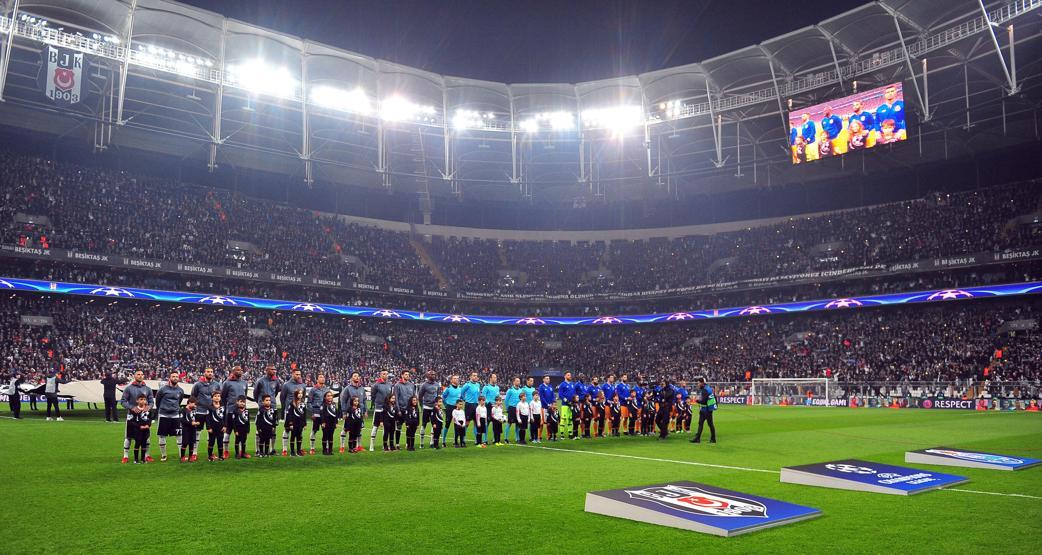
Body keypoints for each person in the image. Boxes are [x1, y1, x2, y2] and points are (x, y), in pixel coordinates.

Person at [120, 370, 154, 464]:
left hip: (144, 417)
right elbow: (123, 401)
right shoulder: (128, 388)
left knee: (146, 437)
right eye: (138, 374)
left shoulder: (148, 389)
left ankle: (147, 455)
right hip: (132, 417)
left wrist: (149, 407)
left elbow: (151, 401)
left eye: (142, 374)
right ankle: (125, 456)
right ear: (134, 376)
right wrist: (132, 407)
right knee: (129, 437)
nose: (140, 376)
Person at [155, 371, 185, 462]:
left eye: (176, 376)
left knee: (179, 435)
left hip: (175, 415)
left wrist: (174, 409)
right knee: (162, 435)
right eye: (173, 376)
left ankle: (181, 455)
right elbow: (158, 401)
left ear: (178, 378)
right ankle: (164, 455)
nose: (175, 378)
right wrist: (163, 409)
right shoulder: (163, 389)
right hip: (164, 415)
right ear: (170, 377)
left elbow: (179, 401)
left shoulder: (180, 390)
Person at [190, 367, 220, 456]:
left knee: (211, 433)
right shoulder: (197, 385)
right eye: (208, 372)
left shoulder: (216, 385)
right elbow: (193, 397)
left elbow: (218, 397)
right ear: (204, 373)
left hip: (211, 413)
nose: (210, 373)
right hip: (200, 411)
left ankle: (210, 453)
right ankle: (194, 453)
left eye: (211, 371)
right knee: (197, 432)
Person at [220, 366, 248, 458]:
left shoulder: (244, 383)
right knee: (228, 432)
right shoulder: (227, 383)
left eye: (241, 370)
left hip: (241, 412)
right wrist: (228, 407)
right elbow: (223, 397)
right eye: (238, 370)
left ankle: (241, 452)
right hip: (231, 411)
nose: (240, 371)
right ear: (233, 371)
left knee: (241, 433)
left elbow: (244, 396)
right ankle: (226, 451)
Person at [279, 369, 306, 455]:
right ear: (292, 374)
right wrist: (285, 408)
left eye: (300, 374)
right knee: (287, 429)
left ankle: (299, 449)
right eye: (297, 374)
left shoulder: (303, 385)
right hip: (289, 411)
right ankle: (284, 449)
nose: (299, 376)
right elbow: (282, 398)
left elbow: (303, 398)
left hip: (299, 413)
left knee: (299, 431)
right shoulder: (286, 385)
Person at [340, 372, 367, 453]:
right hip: (350, 413)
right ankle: (342, 446)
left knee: (359, 430)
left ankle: (358, 446)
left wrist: (365, 411)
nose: (357, 377)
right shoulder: (347, 388)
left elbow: (364, 400)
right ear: (351, 378)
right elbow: (343, 400)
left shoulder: (362, 388)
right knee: (345, 429)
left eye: (358, 376)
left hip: (359, 413)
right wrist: (344, 412)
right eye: (355, 376)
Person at [306, 373, 330, 455]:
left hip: (325, 413)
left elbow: (329, 401)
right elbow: (308, 402)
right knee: (314, 430)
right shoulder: (313, 389)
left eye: (323, 377)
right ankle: (312, 448)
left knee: (326, 431)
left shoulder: (327, 389)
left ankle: (326, 448)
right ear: (317, 380)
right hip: (316, 413)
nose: (323, 378)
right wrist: (312, 412)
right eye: (320, 377)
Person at [392, 370, 416, 450]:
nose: (407, 376)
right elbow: (396, 399)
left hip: (409, 410)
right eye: (405, 374)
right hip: (401, 409)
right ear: (402, 375)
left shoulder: (411, 385)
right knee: (398, 427)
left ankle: (407, 443)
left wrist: (414, 408)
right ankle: (397, 444)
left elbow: (413, 398)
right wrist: (398, 409)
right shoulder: (397, 385)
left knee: (409, 427)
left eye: (408, 374)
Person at [690, 378, 718, 444]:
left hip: (706, 410)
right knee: (701, 424)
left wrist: (696, 400)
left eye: (698, 383)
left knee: (709, 424)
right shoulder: (708, 388)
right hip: (706, 409)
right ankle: (698, 438)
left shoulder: (705, 390)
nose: (698, 384)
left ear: (702, 383)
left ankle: (713, 439)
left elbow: (704, 401)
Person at [369, 370, 392, 452]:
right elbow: (373, 396)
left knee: (386, 428)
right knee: (375, 426)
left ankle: (384, 445)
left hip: (386, 410)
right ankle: (371, 446)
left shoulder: (389, 384)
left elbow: (390, 396)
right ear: (380, 375)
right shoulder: (376, 385)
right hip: (378, 409)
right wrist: (378, 403)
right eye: (383, 374)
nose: (385, 375)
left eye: (386, 374)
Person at [417, 371, 440, 449]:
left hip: (434, 408)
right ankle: (421, 443)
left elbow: (438, 396)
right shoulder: (424, 385)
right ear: (427, 375)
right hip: (426, 407)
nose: (433, 375)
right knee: (424, 424)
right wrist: (421, 406)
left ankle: (431, 442)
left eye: (434, 374)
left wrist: (438, 405)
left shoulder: (437, 385)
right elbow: (420, 396)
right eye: (431, 374)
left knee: (434, 425)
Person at [440, 374, 462, 448]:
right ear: (452, 380)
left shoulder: (460, 389)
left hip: (457, 408)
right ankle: (443, 441)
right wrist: (446, 405)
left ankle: (455, 441)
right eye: (455, 378)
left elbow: (461, 398)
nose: (456, 380)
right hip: (449, 407)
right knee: (447, 424)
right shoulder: (448, 388)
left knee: (457, 424)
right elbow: (443, 397)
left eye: (457, 378)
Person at [460, 372, 481, 445]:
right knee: (467, 423)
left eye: (476, 376)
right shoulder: (467, 385)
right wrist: (465, 399)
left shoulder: (478, 385)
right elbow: (461, 393)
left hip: (476, 405)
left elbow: (478, 395)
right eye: (474, 376)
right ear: (471, 377)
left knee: (476, 422)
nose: (475, 377)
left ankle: (476, 440)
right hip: (469, 405)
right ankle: (463, 438)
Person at [205, 391, 226, 461]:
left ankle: (220, 456)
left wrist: (225, 426)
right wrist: (208, 427)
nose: (217, 397)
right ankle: (210, 456)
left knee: (220, 442)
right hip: (212, 428)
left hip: (221, 428)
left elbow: (225, 417)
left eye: (218, 396)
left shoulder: (223, 406)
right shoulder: (209, 407)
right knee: (211, 442)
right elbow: (207, 418)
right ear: (212, 398)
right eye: (215, 396)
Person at [132, 395, 152, 464]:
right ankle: (136, 459)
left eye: (144, 399)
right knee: (137, 444)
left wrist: (148, 425)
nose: (143, 401)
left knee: (144, 444)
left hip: (145, 431)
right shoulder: (134, 410)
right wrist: (139, 426)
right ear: (137, 400)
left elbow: (150, 419)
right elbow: (132, 421)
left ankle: (143, 459)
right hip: (137, 431)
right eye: (141, 399)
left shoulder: (147, 410)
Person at [285, 389, 306, 456]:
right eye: (299, 393)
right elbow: (290, 414)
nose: (300, 394)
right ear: (296, 394)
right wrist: (290, 423)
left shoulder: (303, 403)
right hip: (294, 423)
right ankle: (292, 451)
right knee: (293, 436)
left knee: (299, 436)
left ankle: (299, 451)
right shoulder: (292, 403)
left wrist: (305, 424)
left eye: (301, 393)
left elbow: (304, 414)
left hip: (300, 423)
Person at [180, 397, 201, 462]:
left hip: (193, 429)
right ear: (189, 403)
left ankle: (190, 457)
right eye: (194, 404)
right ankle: (182, 457)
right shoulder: (183, 410)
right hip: (186, 429)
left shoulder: (194, 410)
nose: (195, 406)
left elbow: (196, 419)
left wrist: (197, 422)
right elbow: (181, 420)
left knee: (192, 443)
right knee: (185, 443)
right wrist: (190, 423)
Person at [319, 390, 340, 456]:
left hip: (332, 423)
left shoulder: (334, 404)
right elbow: (322, 414)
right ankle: (324, 450)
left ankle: (330, 450)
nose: (330, 397)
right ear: (325, 397)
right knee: (325, 436)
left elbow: (335, 414)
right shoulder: (323, 405)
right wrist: (323, 422)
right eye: (328, 396)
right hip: (325, 423)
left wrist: (336, 422)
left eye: (331, 395)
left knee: (331, 436)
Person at [481, 375, 500, 442]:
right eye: (494, 377)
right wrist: (488, 403)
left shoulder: (497, 388)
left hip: (496, 408)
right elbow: (483, 397)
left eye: (496, 377)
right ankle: (484, 439)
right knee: (487, 423)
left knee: (495, 424)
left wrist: (499, 404)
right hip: (488, 407)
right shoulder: (486, 387)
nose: (495, 378)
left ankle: (495, 439)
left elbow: (498, 397)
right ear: (490, 378)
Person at [503, 377, 522, 443]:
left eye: (519, 381)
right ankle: (506, 438)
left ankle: (517, 438)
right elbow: (506, 400)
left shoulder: (520, 390)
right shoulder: (510, 390)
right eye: (517, 381)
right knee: (509, 423)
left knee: (518, 424)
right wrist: (508, 408)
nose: (518, 382)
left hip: (518, 409)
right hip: (512, 408)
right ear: (514, 382)